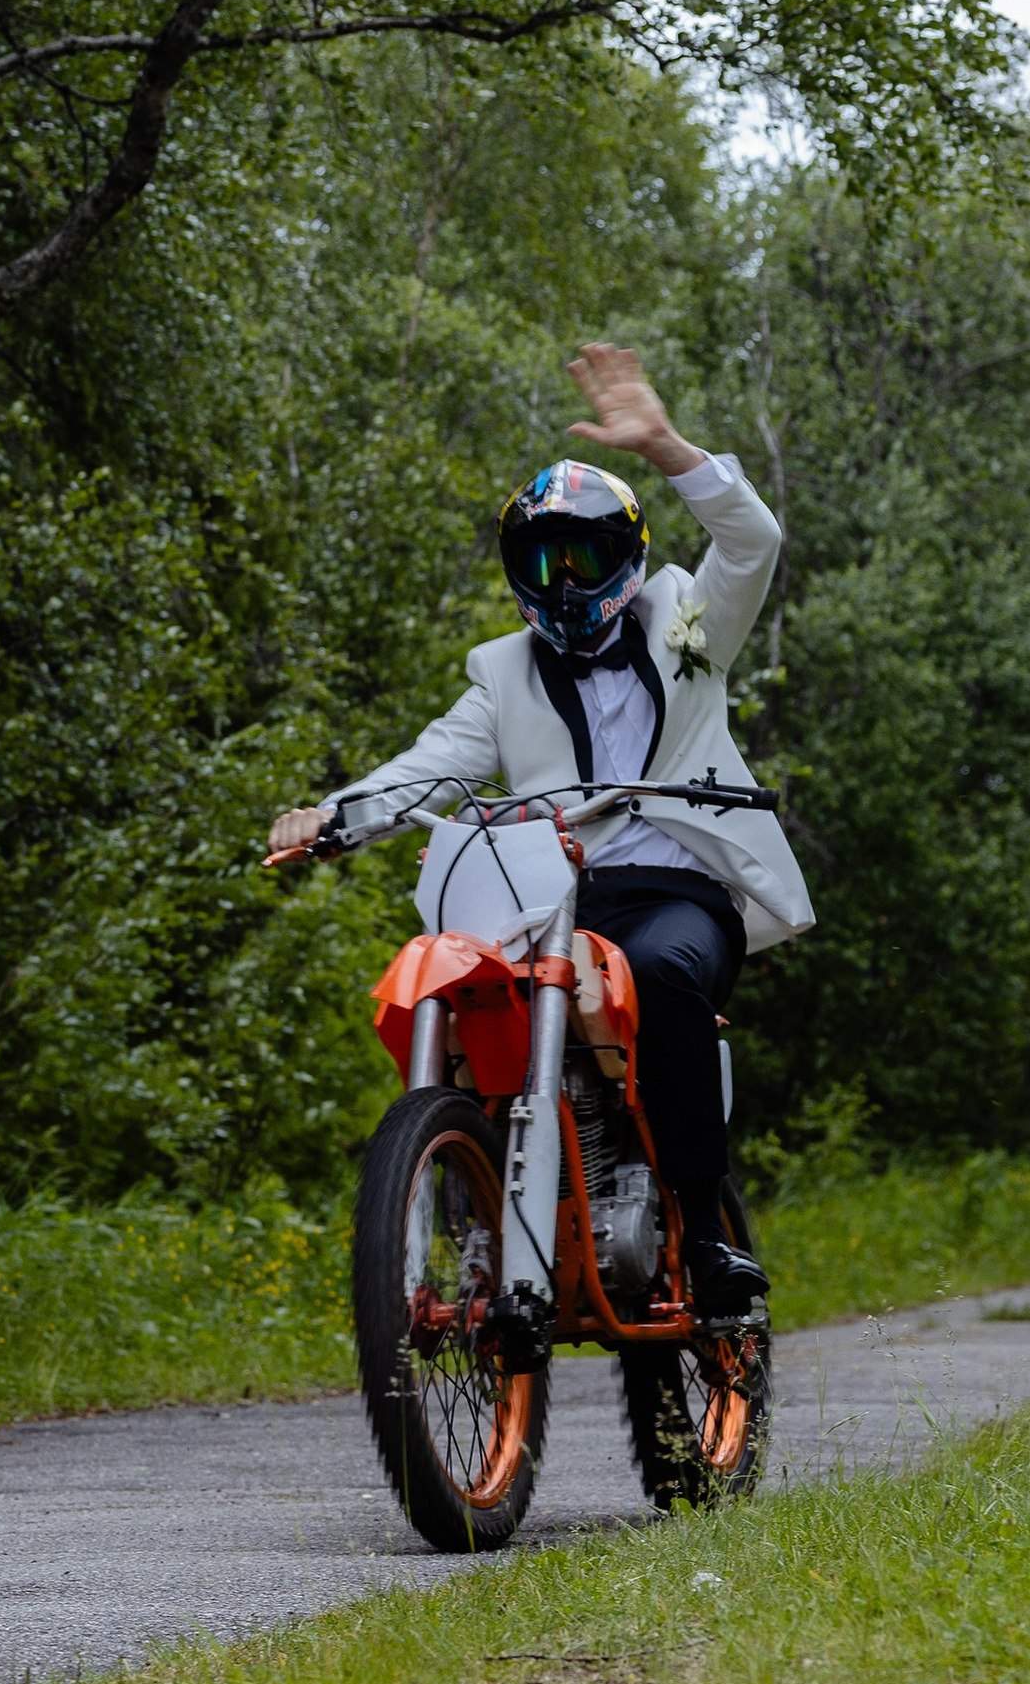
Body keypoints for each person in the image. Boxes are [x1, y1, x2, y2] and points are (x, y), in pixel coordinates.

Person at [269, 343, 811, 1323]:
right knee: (462, 983)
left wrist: (667, 447)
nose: (565, 580)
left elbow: (753, 544)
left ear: (626, 559)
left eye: (585, 557)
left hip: (677, 892)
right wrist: (335, 820)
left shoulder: (686, 623)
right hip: (548, 899)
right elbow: (431, 766)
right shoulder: (502, 672)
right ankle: (466, 1203)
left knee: (661, 976)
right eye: (543, 560)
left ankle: (706, 1234)